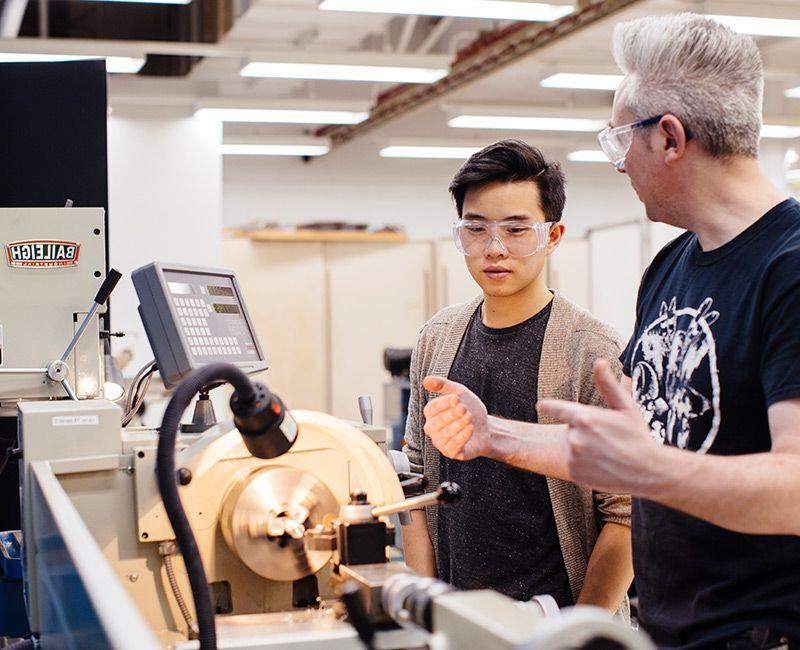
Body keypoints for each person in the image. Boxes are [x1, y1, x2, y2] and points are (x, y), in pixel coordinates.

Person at [421, 13, 800, 649]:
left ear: (671, 138)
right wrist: (493, 436)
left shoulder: (788, 267)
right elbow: (627, 456)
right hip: (670, 630)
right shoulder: (672, 266)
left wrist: (653, 471)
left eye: (622, 139)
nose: (621, 165)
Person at [402, 139, 633, 614]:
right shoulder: (437, 338)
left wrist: (580, 633)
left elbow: (626, 513)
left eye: (516, 229)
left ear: (553, 235)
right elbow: (417, 485)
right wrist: (425, 613)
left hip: (558, 623)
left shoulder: (591, 351)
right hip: (457, 622)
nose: (494, 249)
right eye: (476, 229)